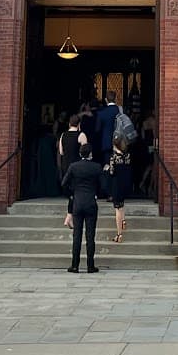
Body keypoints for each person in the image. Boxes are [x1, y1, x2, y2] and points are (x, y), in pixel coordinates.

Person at [61, 142, 103, 273]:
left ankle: (75, 265)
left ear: (80, 154)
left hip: (77, 203)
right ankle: (90, 265)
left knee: (77, 235)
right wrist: (97, 194)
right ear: (91, 154)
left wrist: (72, 194)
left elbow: (63, 183)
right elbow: (103, 186)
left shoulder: (74, 166)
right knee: (90, 236)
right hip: (91, 202)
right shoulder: (96, 167)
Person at [57, 112, 87, 228]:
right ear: (79, 124)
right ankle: (69, 218)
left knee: (72, 193)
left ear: (69, 124)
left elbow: (61, 152)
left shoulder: (63, 135)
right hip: (77, 167)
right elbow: (85, 152)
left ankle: (69, 217)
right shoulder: (81, 135)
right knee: (76, 193)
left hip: (66, 167)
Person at [107, 136, 132, 243]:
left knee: (117, 208)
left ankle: (119, 234)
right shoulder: (127, 156)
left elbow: (112, 172)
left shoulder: (114, 157)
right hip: (125, 183)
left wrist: (107, 168)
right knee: (122, 204)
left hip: (116, 184)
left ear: (114, 145)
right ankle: (124, 221)